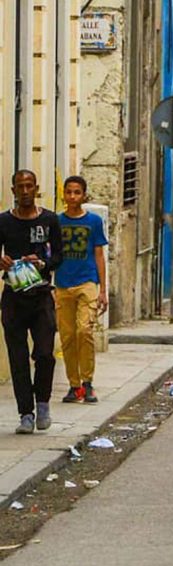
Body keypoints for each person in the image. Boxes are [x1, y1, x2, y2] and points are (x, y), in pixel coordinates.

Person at [0, 170, 62, 433]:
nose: (25, 191)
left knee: (46, 353)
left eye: (29, 186)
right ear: (13, 191)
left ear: (36, 189)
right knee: (18, 356)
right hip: (14, 296)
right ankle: (26, 413)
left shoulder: (49, 220)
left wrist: (43, 263)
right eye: (20, 187)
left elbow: (59, 256)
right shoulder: (3, 221)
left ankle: (43, 401)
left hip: (41, 295)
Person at [56, 176, 108, 404]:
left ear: (84, 195)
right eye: (69, 192)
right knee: (67, 337)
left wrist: (103, 289)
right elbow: (51, 254)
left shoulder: (94, 222)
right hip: (63, 283)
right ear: (64, 195)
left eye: (77, 192)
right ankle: (73, 385)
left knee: (84, 331)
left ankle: (87, 382)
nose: (73, 197)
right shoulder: (56, 222)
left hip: (87, 282)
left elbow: (99, 255)